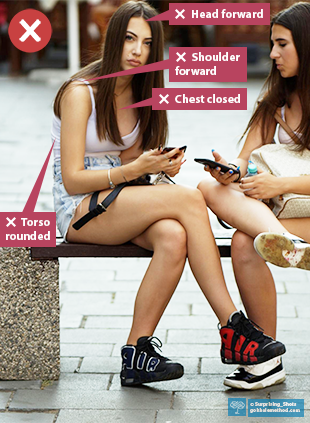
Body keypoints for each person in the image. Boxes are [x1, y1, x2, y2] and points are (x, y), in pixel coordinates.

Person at [52, 0, 285, 387]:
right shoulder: (81, 93)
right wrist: (135, 169)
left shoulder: (143, 95)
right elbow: (73, 179)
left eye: (145, 43)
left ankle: (136, 353)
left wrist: (156, 166)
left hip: (118, 203)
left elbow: (130, 161)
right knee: (191, 198)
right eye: (128, 39)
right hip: (77, 208)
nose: (136, 51)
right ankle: (233, 327)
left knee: (174, 235)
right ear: (113, 40)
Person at [198, 1, 310, 390]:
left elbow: (275, 184)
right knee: (210, 192)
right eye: (272, 44)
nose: (273, 54)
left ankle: (289, 243)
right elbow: (245, 162)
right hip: (282, 218)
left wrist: (279, 186)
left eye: (282, 44)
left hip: (300, 210)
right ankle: (267, 360)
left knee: (251, 236)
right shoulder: (273, 104)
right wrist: (229, 172)